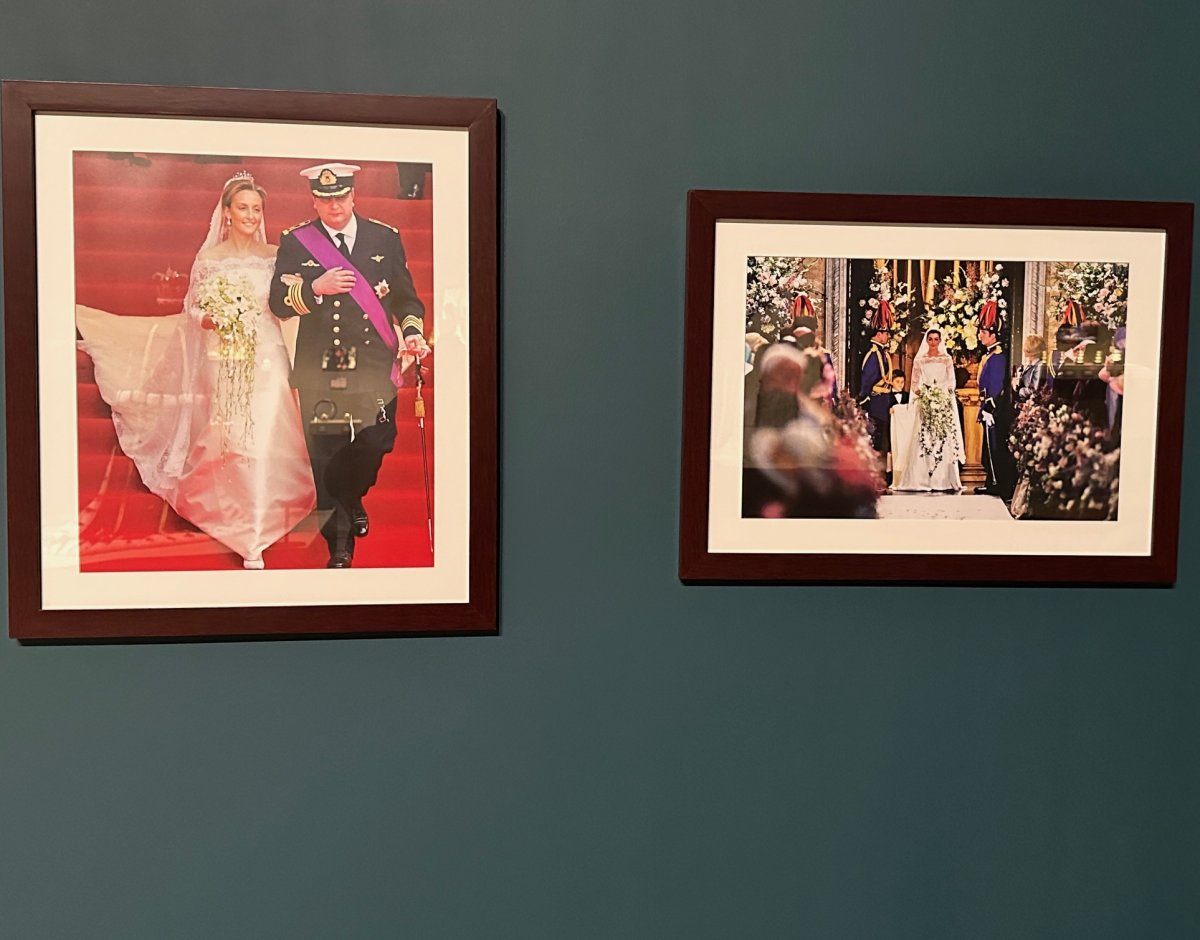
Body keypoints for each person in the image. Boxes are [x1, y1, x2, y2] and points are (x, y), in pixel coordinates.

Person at [76, 173, 316, 568]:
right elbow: (194, 308)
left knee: (270, 428)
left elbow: (283, 302)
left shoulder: (275, 254)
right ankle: (236, 521)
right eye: (243, 208)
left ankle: (264, 519)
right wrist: (215, 319)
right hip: (225, 356)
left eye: (257, 209)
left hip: (268, 354)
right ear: (226, 212)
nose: (251, 216)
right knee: (232, 432)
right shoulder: (211, 258)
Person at [268, 162, 430, 568]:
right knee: (326, 451)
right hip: (325, 362)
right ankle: (339, 544)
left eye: (340, 196)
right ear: (314, 201)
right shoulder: (297, 241)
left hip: (373, 360)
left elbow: (406, 300)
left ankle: (352, 495)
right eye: (324, 199)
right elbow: (277, 302)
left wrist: (411, 332)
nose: (333, 205)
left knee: (378, 440)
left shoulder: (384, 237)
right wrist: (313, 289)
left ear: (354, 195)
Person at [894, 328, 965, 492]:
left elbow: (951, 381)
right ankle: (921, 478)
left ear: (940, 341)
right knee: (922, 437)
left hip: (941, 402)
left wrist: (942, 396)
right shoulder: (920, 360)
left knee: (942, 438)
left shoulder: (946, 359)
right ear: (927, 341)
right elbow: (914, 383)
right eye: (930, 339)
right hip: (926, 402)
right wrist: (924, 396)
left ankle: (944, 480)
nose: (933, 342)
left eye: (936, 339)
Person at [975, 323, 1011, 496]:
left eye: (983, 332)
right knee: (989, 447)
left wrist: (989, 407)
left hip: (993, 410)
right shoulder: (990, 355)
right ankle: (992, 481)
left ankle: (996, 482)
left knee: (993, 448)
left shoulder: (997, 357)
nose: (980, 336)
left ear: (993, 335)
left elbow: (996, 385)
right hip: (987, 408)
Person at [856, 325, 893, 459]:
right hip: (875, 401)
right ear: (878, 334)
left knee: (881, 438)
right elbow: (868, 378)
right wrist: (864, 396)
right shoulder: (873, 353)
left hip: (882, 401)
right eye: (886, 333)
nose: (888, 336)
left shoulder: (880, 352)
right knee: (875, 438)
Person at [1014, 334, 1053, 402]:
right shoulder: (1031, 365)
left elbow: (1034, 390)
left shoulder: (1039, 366)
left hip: (1031, 404)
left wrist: (1018, 390)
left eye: (1026, 345)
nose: (1023, 348)